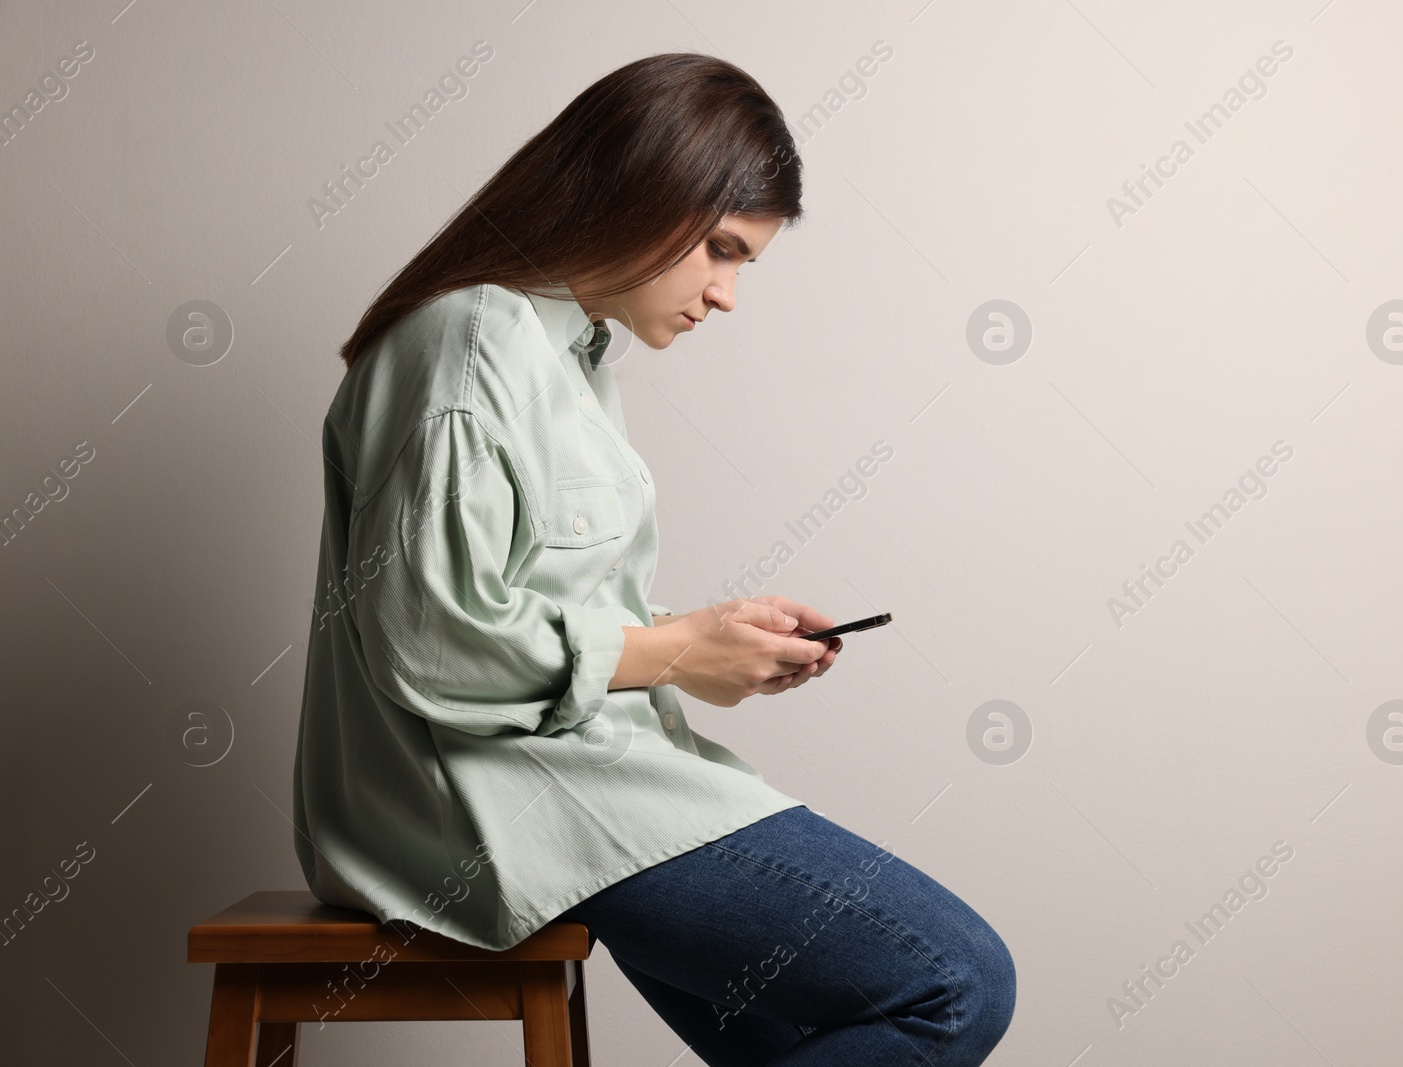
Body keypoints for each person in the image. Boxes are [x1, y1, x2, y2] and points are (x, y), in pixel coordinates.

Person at [292, 52, 1015, 1065]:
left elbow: (529, 605)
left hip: (587, 781)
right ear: (638, 191)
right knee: (956, 981)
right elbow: (431, 648)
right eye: (719, 248)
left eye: (743, 262)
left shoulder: (567, 358)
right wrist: (675, 651)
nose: (724, 294)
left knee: (817, 1030)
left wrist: (709, 645)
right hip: (499, 810)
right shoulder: (469, 343)